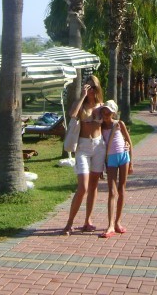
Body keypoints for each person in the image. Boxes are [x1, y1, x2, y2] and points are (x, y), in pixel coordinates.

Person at [62, 75, 104, 235]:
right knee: (83, 187)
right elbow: (73, 114)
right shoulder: (80, 104)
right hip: (83, 147)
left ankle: (88, 220)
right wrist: (82, 96)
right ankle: (69, 222)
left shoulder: (102, 105)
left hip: (98, 146)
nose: (91, 90)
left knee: (93, 185)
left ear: (98, 88)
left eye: (93, 87)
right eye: (88, 86)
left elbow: (110, 125)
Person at [99, 100, 133, 238]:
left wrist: (131, 162)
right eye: (104, 112)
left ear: (113, 113)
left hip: (123, 157)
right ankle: (110, 224)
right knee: (112, 191)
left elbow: (129, 141)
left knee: (121, 189)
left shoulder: (119, 124)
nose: (106, 114)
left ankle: (118, 222)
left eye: (108, 112)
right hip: (111, 159)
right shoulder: (100, 126)